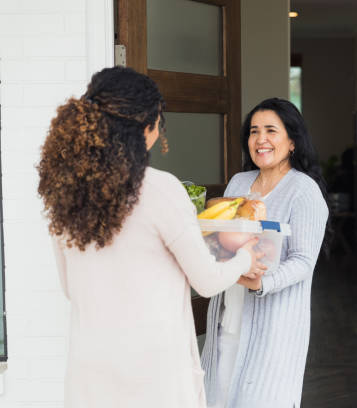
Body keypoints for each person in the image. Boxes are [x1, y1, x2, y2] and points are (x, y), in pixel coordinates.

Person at [37, 66, 266, 408]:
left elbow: (71, 288)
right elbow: (206, 279)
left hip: (90, 372)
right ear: (146, 126)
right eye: (159, 121)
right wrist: (245, 257)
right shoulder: (159, 188)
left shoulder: (66, 193)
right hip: (153, 374)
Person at [201, 98, 330, 407]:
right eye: (254, 131)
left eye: (271, 130)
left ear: (293, 141)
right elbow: (222, 240)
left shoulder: (304, 191)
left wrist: (262, 284)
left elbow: (303, 261)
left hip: (274, 328)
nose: (261, 140)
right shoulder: (239, 183)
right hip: (227, 317)